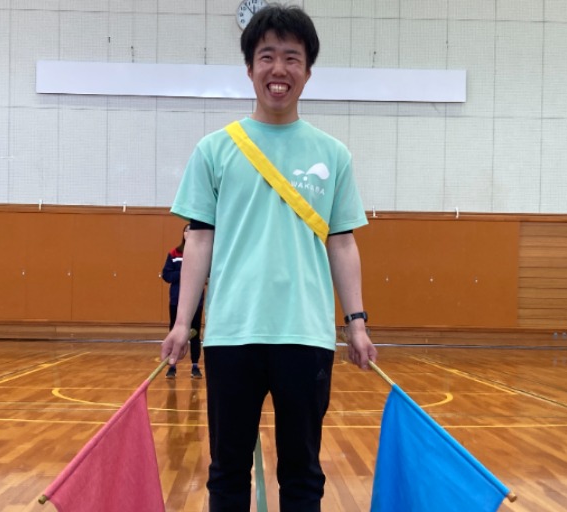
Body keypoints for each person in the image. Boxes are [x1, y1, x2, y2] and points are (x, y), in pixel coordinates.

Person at [161, 4, 377, 511]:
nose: (279, 69)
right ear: (250, 68)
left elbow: (342, 242)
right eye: (267, 57)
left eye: (292, 58)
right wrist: (183, 324)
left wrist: (357, 323)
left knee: (303, 473)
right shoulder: (214, 150)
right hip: (231, 334)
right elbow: (198, 241)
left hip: (306, 335)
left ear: (308, 71)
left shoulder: (333, 155)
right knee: (226, 472)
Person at [161, 223, 204, 379]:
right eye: (186, 230)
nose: (189, 233)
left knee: (195, 334)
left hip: (196, 302)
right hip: (176, 300)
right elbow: (166, 275)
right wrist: (185, 272)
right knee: (174, 332)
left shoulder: (202, 253)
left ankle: (195, 366)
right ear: (183, 234)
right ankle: (172, 367)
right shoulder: (174, 253)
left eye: (192, 230)